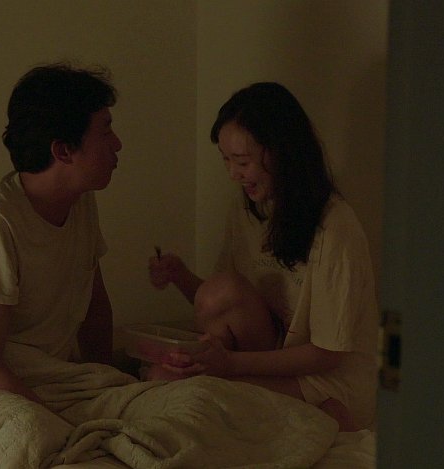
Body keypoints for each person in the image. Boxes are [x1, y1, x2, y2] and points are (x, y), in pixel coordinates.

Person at [147, 82, 378, 431]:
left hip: (328, 377)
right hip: (273, 354)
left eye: (242, 162)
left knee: (180, 387)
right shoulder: (247, 211)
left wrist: (230, 366)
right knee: (162, 375)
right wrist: (179, 276)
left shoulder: (335, 227)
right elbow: (219, 303)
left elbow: (328, 354)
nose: (233, 174)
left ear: (283, 153)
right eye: (226, 160)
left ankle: (325, 418)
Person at [0, 63, 122, 404]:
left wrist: (107, 384)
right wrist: (57, 422)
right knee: (26, 433)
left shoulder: (81, 202)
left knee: (194, 398)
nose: (118, 144)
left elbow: (94, 308)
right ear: (63, 150)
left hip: (49, 377)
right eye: (105, 132)